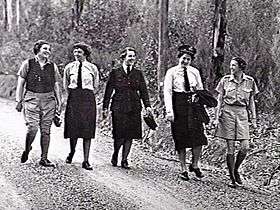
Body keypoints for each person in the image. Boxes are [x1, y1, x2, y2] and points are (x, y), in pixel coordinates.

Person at [103, 47, 152, 169]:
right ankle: (116, 153)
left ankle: (125, 159)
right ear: (123, 58)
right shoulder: (115, 72)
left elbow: (143, 91)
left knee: (130, 134)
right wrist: (105, 107)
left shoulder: (138, 73)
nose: (132, 58)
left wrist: (148, 106)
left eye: (134, 56)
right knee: (119, 133)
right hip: (118, 106)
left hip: (134, 106)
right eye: (130, 56)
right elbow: (108, 90)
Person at [164, 44, 207, 181]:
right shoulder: (171, 72)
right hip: (179, 105)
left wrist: (197, 93)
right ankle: (183, 168)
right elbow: (168, 92)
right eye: (183, 58)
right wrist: (170, 111)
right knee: (181, 137)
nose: (185, 61)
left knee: (198, 136)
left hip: (193, 106)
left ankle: (194, 164)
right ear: (179, 58)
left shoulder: (194, 72)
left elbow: (201, 89)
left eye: (188, 59)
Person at [213, 57, 258, 187]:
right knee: (231, 147)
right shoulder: (225, 80)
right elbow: (219, 100)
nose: (231, 67)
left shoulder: (250, 81)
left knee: (245, 147)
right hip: (227, 113)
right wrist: (216, 118)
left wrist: (254, 120)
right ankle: (232, 178)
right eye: (231, 65)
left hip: (242, 114)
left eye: (234, 65)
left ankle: (236, 169)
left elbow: (251, 102)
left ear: (240, 67)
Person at [15, 40, 62, 167]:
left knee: (46, 130)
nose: (48, 51)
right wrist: (18, 100)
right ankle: (27, 148)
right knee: (32, 128)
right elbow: (21, 83)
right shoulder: (28, 64)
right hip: (31, 99)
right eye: (45, 49)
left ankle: (44, 158)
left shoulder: (53, 66)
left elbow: (56, 85)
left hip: (48, 100)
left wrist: (59, 101)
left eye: (49, 49)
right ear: (38, 50)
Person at [63, 43, 99, 170]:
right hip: (74, 98)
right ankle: (71, 152)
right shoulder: (69, 67)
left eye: (79, 52)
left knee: (87, 129)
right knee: (73, 128)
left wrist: (86, 95)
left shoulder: (92, 68)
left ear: (85, 54)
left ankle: (86, 160)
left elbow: (96, 86)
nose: (76, 54)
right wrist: (72, 96)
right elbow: (65, 85)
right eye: (75, 52)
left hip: (88, 99)